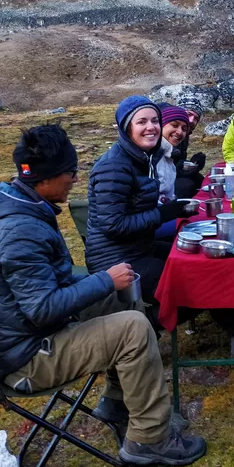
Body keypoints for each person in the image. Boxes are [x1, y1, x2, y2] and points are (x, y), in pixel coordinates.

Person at [0, 124, 206, 466]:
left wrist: (107, 287)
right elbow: (42, 310)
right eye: (70, 173)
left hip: (29, 334)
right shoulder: (17, 232)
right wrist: (105, 280)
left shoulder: (23, 208)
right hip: (29, 358)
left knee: (128, 301)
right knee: (133, 327)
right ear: (46, 178)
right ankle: (150, 439)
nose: (75, 180)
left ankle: (117, 402)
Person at [87, 97, 196, 308]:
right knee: (188, 283)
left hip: (140, 247)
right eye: (142, 122)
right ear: (127, 128)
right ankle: (149, 324)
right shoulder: (114, 166)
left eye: (155, 121)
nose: (151, 127)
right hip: (115, 260)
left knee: (190, 256)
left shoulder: (144, 158)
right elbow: (113, 225)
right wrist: (164, 214)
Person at [174, 96, 207, 198]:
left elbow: (178, 160)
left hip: (173, 173)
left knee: (201, 180)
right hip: (159, 180)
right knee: (186, 185)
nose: (192, 120)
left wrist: (194, 164)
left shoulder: (185, 135)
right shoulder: (166, 133)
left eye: (196, 118)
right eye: (188, 114)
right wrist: (179, 167)